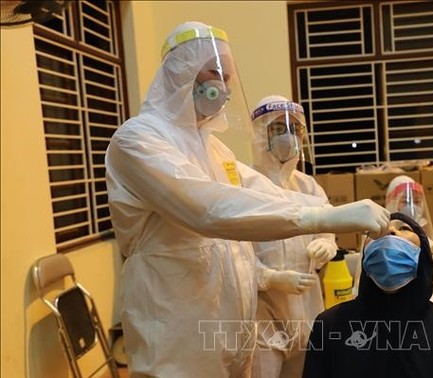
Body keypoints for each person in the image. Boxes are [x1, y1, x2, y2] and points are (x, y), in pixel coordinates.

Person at [105, 21, 390, 378]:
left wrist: (330, 213)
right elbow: (209, 208)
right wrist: (321, 219)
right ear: (181, 71)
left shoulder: (213, 147)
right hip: (175, 330)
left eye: (227, 77)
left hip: (228, 331)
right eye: (213, 72)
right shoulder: (138, 141)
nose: (222, 86)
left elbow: (259, 190)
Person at [302, 212, 433, 378]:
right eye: (377, 230)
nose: (389, 230)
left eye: (404, 228)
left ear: (424, 255)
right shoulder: (330, 326)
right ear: (364, 256)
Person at [249, 95, 338, 378]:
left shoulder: (308, 186)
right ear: (261, 133)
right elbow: (232, 255)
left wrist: (327, 243)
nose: (288, 136)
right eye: (278, 129)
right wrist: (271, 278)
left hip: (307, 308)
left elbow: (328, 226)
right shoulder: (244, 184)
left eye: (295, 129)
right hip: (262, 314)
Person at [385, 175, 433, 253]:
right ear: (392, 203)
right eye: (405, 202)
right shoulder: (383, 239)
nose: (412, 206)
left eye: (417, 202)